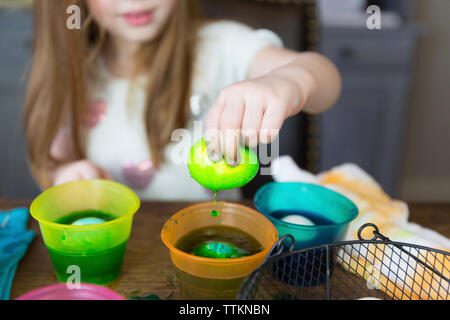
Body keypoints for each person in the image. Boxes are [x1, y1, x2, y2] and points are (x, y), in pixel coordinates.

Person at [25, 0, 341, 201]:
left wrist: (290, 81)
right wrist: (64, 176)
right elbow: (54, 163)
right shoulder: (71, 71)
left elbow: (325, 77)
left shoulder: (222, 45)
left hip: (212, 242)